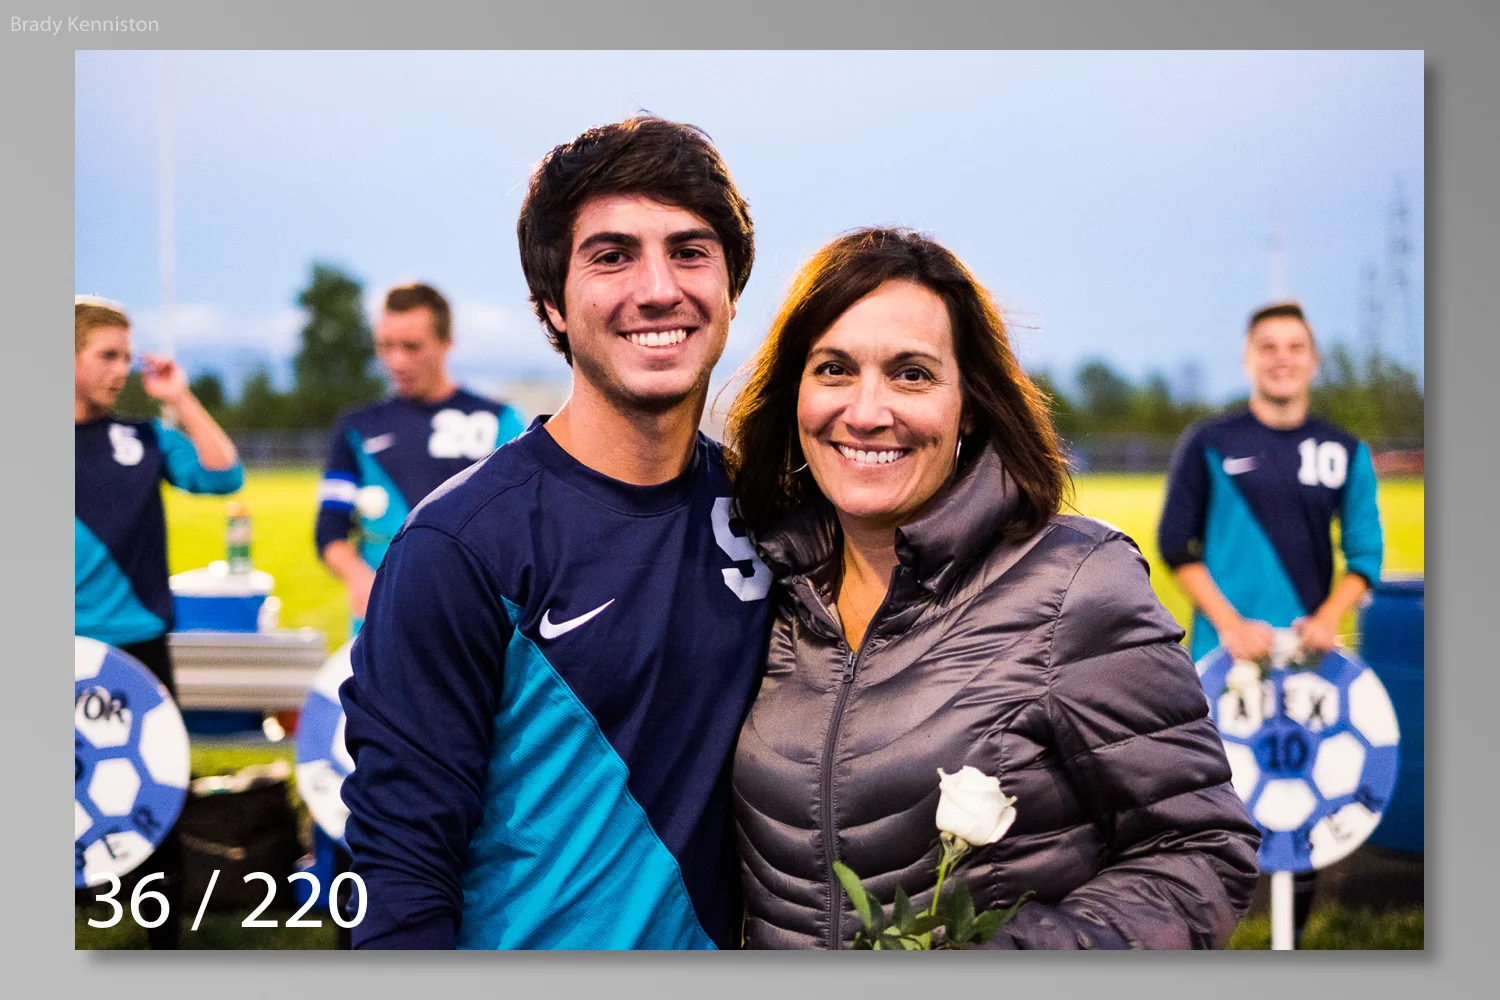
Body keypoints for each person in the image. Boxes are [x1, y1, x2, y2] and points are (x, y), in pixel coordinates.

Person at [726, 229, 1260, 950]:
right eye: (834, 369)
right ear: (796, 391)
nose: (867, 410)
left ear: (969, 404)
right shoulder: (760, 587)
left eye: (911, 374)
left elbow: (1202, 849)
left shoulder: (1075, 584)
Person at [339, 116, 772, 949]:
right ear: (551, 306)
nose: (658, 288)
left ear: (730, 291)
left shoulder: (772, 515)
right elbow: (400, 871)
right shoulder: (459, 548)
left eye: (690, 251)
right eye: (612, 256)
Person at [1157, 299, 1384, 944]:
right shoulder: (1209, 443)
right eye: (1268, 346)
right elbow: (1176, 546)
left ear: (1314, 360)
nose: (1282, 358)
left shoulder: (1344, 450)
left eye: (1295, 347)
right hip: (1224, 659)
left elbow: (1365, 556)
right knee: (1216, 807)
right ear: (1247, 359)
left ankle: (1292, 947)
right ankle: (1206, 939)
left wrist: (1328, 618)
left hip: (1309, 665)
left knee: (1300, 798)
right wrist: (1230, 625)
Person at [74, 295, 245, 948]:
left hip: (139, 649)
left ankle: (163, 944)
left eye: (126, 355)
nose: (122, 369)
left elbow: (224, 476)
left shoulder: (143, 439)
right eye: (107, 355)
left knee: (154, 794)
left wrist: (180, 399)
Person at [315, 282, 525, 626]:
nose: (396, 360)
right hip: (380, 625)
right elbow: (329, 530)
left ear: (447, 342)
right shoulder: (357, 428)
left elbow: (524, 534)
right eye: (386, 346)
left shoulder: (500, 421)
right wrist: (360, 579)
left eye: (412, 347)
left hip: (470, 625)